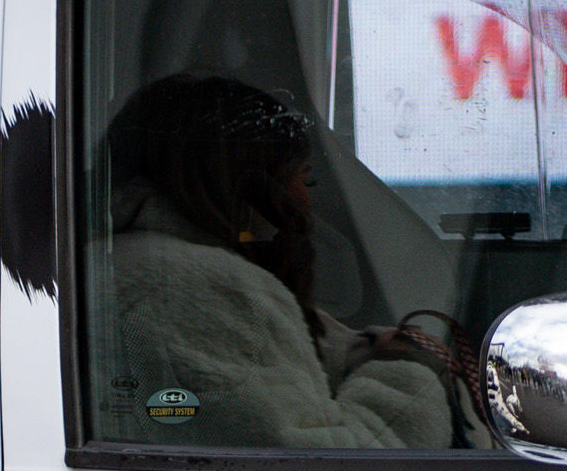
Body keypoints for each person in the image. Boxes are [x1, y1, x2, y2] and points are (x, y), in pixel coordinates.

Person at [92, 73, 457, 451]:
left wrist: (367, 349)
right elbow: (328, 462)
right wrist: (411, 376)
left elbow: (273, 372)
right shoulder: (191, 288)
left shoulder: (156, 268)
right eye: (302, 179)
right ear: (243, 184)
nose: (307, 201)